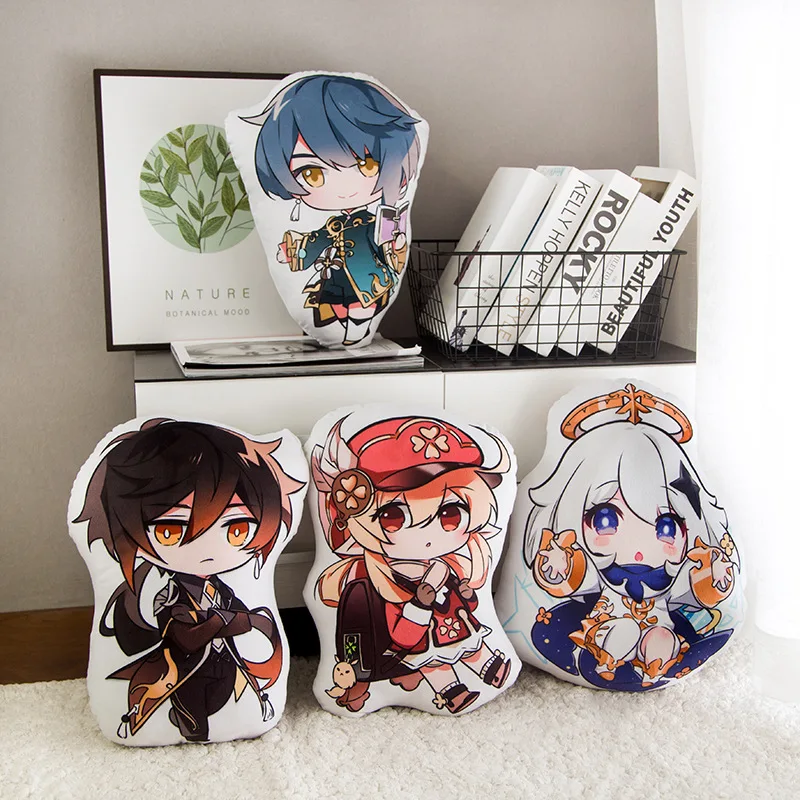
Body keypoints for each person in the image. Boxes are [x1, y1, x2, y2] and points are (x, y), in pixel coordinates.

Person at [74, 419, 305, 740]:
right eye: (170, 530)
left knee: (220, 710)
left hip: (225, 670)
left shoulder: (220, 590)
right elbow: (185, 638)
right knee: (195, 726)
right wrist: (232, 621)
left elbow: (240, 616)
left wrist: (242, 622)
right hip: (185, 677)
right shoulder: (167, 593)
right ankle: (176, 720)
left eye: (237, 529)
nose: (206, 549)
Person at [523, 384, 740, 690]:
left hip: (658, 627)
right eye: (606, 520)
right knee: (622, 632)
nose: (638, 549)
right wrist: (557, 565)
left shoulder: (673, 577)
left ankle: (653, 666)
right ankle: (606, 660)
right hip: (607, 625)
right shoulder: (597, 571)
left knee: (662, 639)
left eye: (666, 527)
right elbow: (572, 581)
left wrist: (716, 575)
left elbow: (699, 591)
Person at [312, 415, 513, 714]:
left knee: (473, 649)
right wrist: (419, 605)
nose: (426, 534)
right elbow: (401, 635)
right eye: (393, 517)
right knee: (433, 665)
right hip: (420, 640)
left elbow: (465, 603)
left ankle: (490, 669)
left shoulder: (445, 568)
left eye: (450, 515)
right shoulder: (385, 582)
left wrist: (468, 596)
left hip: (457, 628)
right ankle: (452, 692)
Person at [251, 74, 423, 345]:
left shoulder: (372, 222)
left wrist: (395, 245)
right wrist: (294, 252)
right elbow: (317, 240)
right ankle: (349, 334)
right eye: (313, 173)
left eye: (367, 165)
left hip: (365, 278)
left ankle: (355, 333)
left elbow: (385, 246)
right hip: (335, 279)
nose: (344, 188)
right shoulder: (332, 226)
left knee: (359, 309)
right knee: (335, 309)